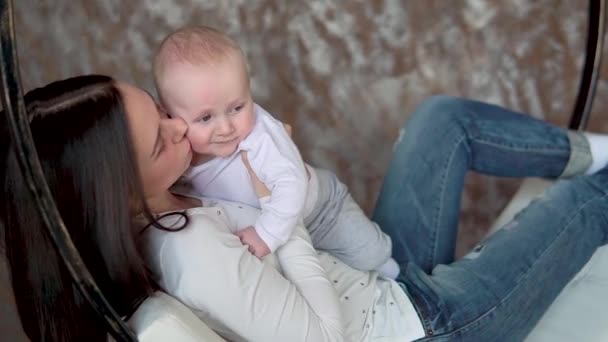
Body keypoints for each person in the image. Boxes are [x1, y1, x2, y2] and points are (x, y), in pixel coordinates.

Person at [3, 75, 608, 341]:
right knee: (588, 201)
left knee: (439, 121)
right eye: (162, 139)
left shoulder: (178, 190)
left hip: (380, 283)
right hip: (426, 328)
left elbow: (314, 208)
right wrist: (278, 218)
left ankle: (594, 149)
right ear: (116, 197)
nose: (182, 129)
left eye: (161, 111)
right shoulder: (190, 253)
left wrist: (278, 168)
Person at [152, 25, 400, 278]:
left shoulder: (260, 134)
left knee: (372, 257)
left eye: (237, 107)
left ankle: (397, 272)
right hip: (283, 226)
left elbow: (290, 183)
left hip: (320, 210)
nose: (226, 128)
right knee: (336, 273)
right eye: (205, 118)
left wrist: (266, 235)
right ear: (171, 116)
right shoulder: (179, 158)